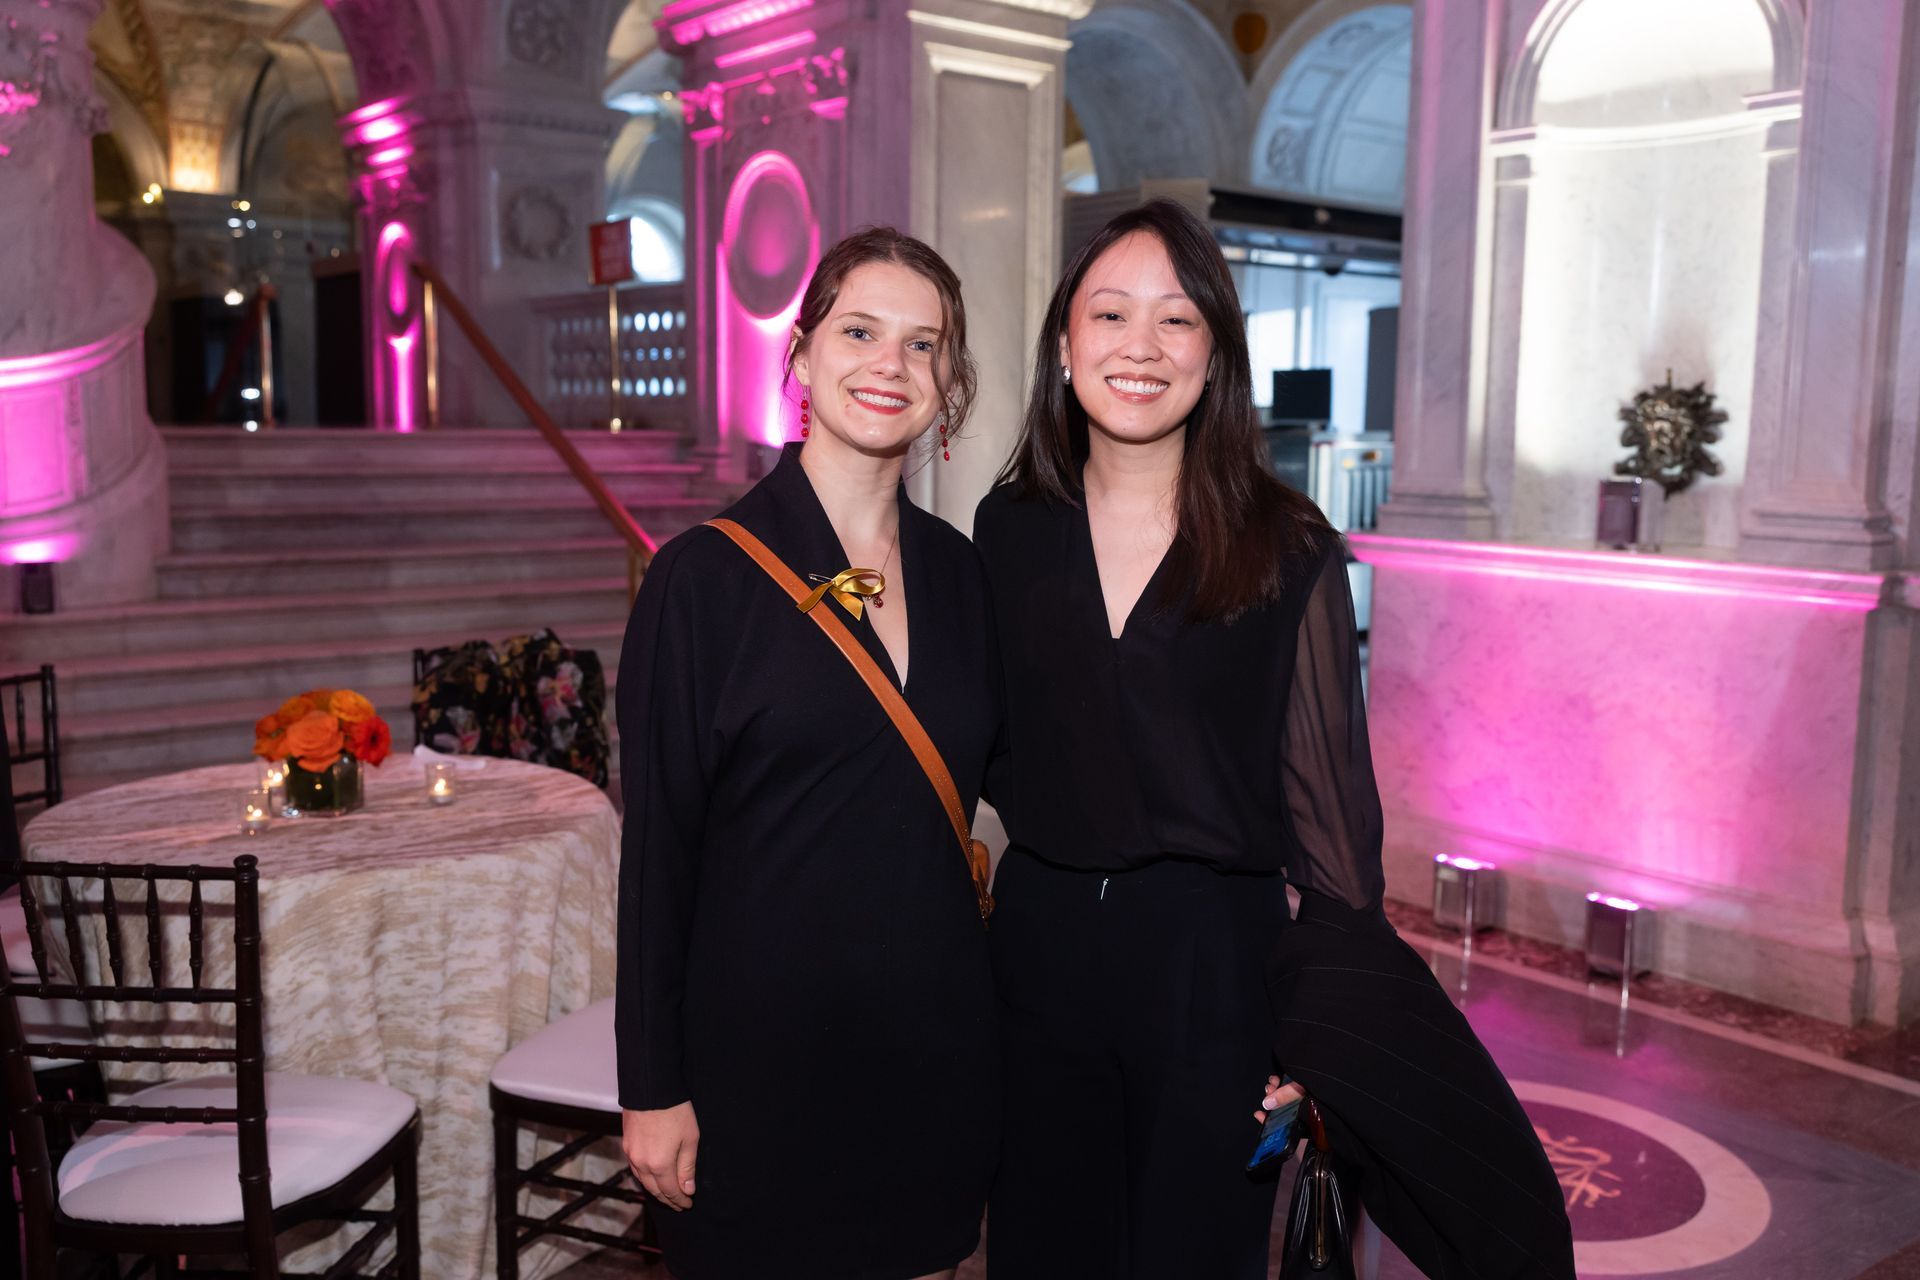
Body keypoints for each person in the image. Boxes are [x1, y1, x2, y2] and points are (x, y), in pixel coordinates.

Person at [974, 200, 1573, 1279]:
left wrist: (1322, 1030)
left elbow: (1335, 831)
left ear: (1217, 354)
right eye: (1110, 314)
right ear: (1065, 345)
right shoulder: (1008, 525)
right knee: (1038, 1246)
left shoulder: (1285, 545)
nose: (1141, 347)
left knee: (1192, 1253)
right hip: (1039, 947)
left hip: (1212, 959)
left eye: (1178, 319)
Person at [616, 228, 1000, 1280]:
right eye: (862, 331)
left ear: (949, 384)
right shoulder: (701, 579)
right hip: (758, 1064)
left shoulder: (966, 577)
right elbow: (656, 853)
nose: (892, 364)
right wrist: (651, 1082)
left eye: (925, 346)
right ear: (801, 353)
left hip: (933, 1049)